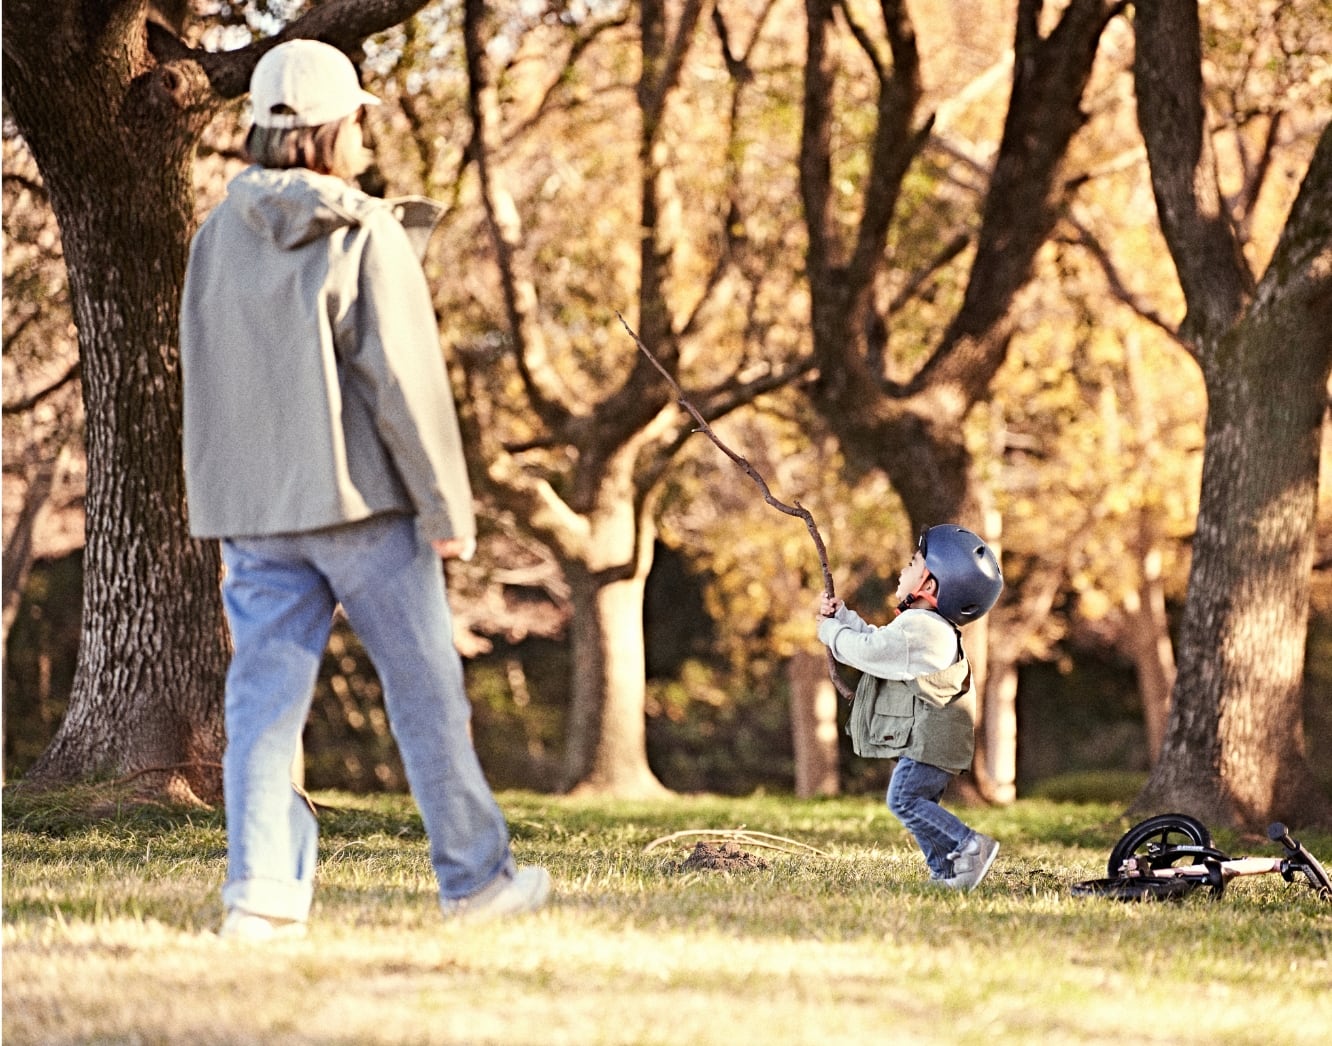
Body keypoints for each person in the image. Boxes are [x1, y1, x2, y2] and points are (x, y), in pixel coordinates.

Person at [180, 39, 550, 940]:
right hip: (364, 509)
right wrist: (445, 509)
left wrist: (221, 500)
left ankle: (261, 895)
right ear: (336, 128)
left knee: (263, 706)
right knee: (425, 693)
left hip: (258, 516)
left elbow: (202, 367)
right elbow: (404, 385)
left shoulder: (213, 237)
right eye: (357, 123)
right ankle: (474, 882)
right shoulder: (366, 230)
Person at [817, 525, 1003, 890]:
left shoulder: (925, 629)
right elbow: (881, 643)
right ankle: (947, 873)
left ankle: (970, 845)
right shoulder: (925, 627)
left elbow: (870, 653)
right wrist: (844, 619)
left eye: (911, 563)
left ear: (930, 586)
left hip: (931, 742)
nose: (902, 570)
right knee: (920, 806)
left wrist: (830, 633)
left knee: (903, 799)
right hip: (937, 742)